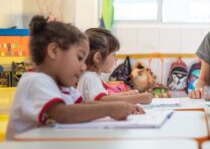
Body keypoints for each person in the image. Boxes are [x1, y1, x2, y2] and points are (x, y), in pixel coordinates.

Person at [6, 16, 143, 140]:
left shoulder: (61, 86)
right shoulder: (36, 81)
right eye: (79, 58)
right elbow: (62, 114)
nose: (83, 67)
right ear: (54, 51)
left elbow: (82, 104)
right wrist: (109, 109)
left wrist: (119, 106)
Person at [77, 28, 152, 104]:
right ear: (98, 57)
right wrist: (137, 99)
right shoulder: (90, 77)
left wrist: (126, 94)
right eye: (113, 54)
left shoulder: (94, 76)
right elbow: (101, 100)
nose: (116, 58)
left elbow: (106, 95)